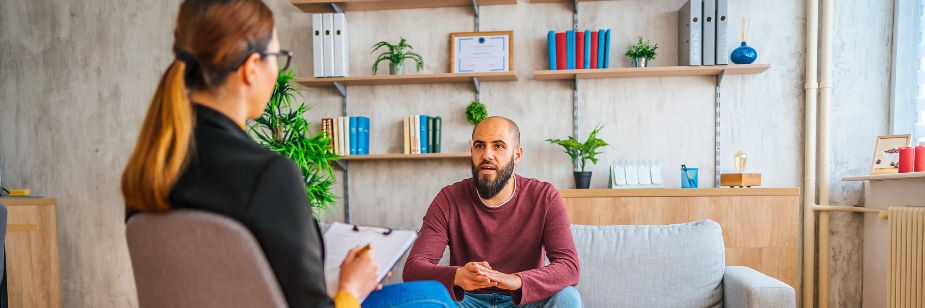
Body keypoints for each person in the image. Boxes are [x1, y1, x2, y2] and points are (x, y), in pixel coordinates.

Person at [120, 1, 453, 307]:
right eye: (277, 57)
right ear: (252, 67)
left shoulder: (153, 168)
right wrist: (351, 289)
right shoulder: (267, 174)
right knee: (433, 296)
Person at [402, 116, 583, 307]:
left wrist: (517, 280)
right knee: (422, 300)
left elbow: (569, 266)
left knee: (567, 296)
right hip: (466, 301)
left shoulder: (545, 197)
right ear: (472, 151)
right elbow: (413, 268)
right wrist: (457, 276)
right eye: (480, 146)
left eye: (498, 146)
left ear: (517, 155)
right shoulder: (448, 199)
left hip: (523, 301)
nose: (487, 155)